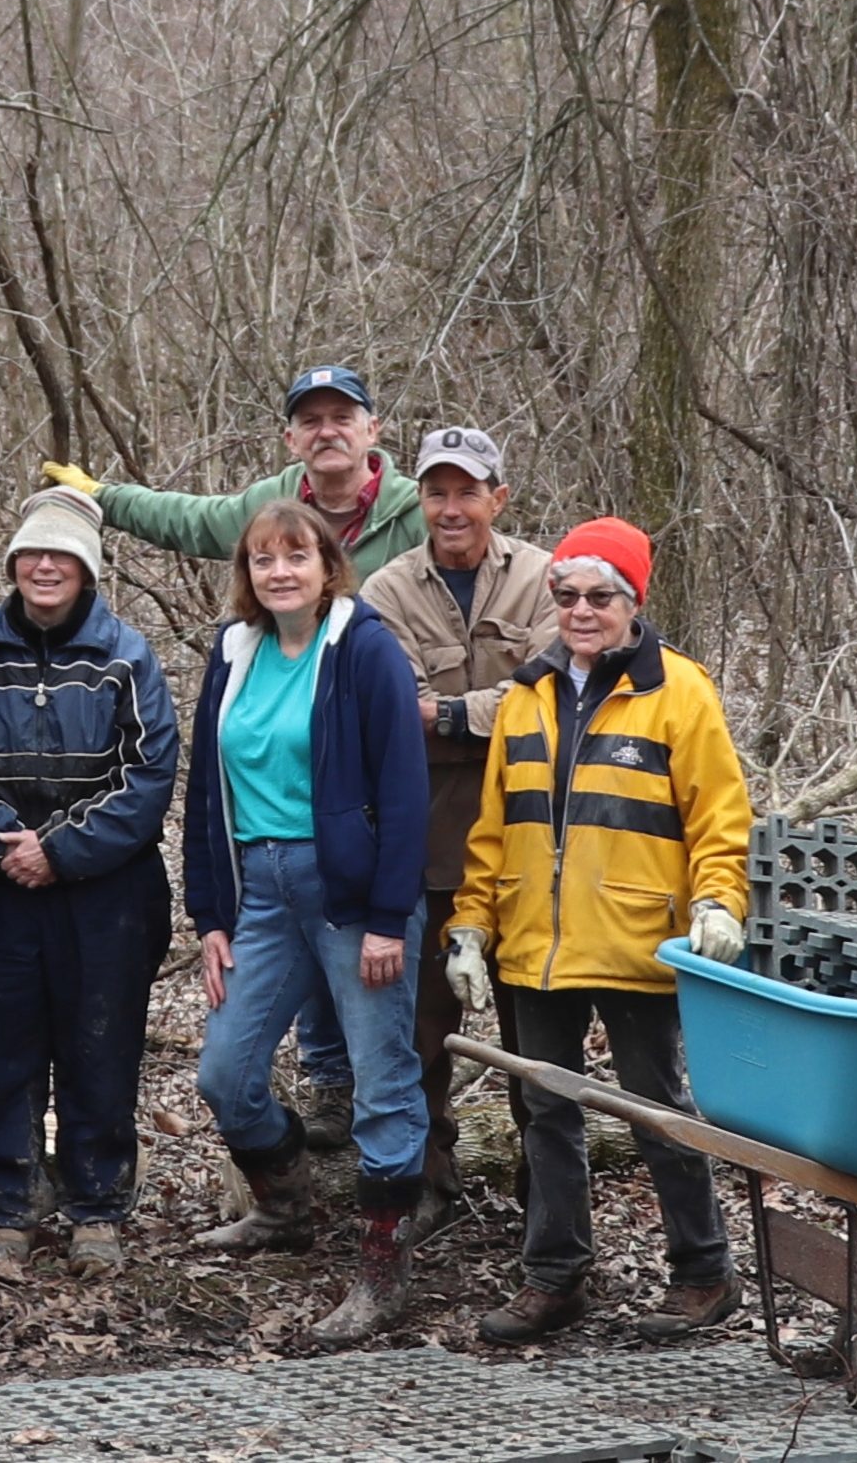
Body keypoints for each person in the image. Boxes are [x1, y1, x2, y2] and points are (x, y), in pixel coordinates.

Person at [42, 364, 423, 1146]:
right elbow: (186, 518)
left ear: (373, 428)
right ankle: (299, 1160)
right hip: (268, 871)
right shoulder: (245, 613)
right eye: (310, 420)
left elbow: (480, 563)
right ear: (291, 437)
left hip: (381, 796)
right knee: (237, 1069)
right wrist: (104, 497)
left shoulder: (416, 515)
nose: (327, 430)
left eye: (342, 416)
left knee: (388, 1048)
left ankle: (401, 1180)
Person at [447, 517, 752, 1346]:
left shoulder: (679, 691)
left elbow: (720, 819)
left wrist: (719, 902)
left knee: (657, 1110)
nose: (582, 611)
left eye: (601, 596)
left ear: (632, 602)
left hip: (636, 939)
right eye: (568, 595)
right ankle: (554, 1277)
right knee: (545, 1111)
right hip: (534, 947)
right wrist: (470, 926)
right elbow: (493, 829)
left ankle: (704, 1272)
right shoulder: (525, 695)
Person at [182, 499, 431, 1346]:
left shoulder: (364, 649)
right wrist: (210, 913)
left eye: (297, 556)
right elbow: (205, 791)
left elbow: (404, 789)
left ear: (328, 567)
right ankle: (285, 1208)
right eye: (263, 558)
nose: (280, 571)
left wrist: (388, 918)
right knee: (225, 1073)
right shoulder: (235, 651)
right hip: (259, 892)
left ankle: (382, 1270)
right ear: (246, 573)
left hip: (350, 898)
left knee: (381, 1083)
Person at [0, 488, 178, 1277]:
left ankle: (96, 1206)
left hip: (106, 891)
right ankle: (9, 1203)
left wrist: (61, 849)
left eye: (62, 555)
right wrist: (3, 841)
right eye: (32, 553)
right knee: (2, 1049)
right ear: (13, 564)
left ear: (88, 569)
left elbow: (148, 777)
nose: (45, 566)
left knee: (99, 1047)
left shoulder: (126, 657)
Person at [356, 427, 558, 1234]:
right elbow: (393, 715)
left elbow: (549, 699)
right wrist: (492, 713)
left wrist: (447, 715)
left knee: (537, 1037)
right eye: (436, 492)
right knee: (422, 1035)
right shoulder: (385, 591)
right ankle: (429, 1185)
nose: (450, 508)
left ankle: (548, 1199)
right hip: (431, 849)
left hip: (537, 852)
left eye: (467, 492)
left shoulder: (546, 580)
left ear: (497, 499)